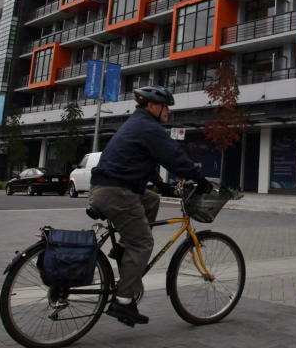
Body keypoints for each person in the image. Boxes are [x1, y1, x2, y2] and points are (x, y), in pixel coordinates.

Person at [89, 85, 212, 326]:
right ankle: (123, 302)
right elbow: (172, 156)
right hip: (117, 193)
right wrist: (199, 179)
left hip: (107, 189)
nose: (168, 112)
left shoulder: (137, 124)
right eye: (166, 107)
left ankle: (125, 249)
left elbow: (145, 158)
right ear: (152, 106)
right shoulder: (148, 127)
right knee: (143, 242)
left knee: (152, 199)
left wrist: (159, 183)